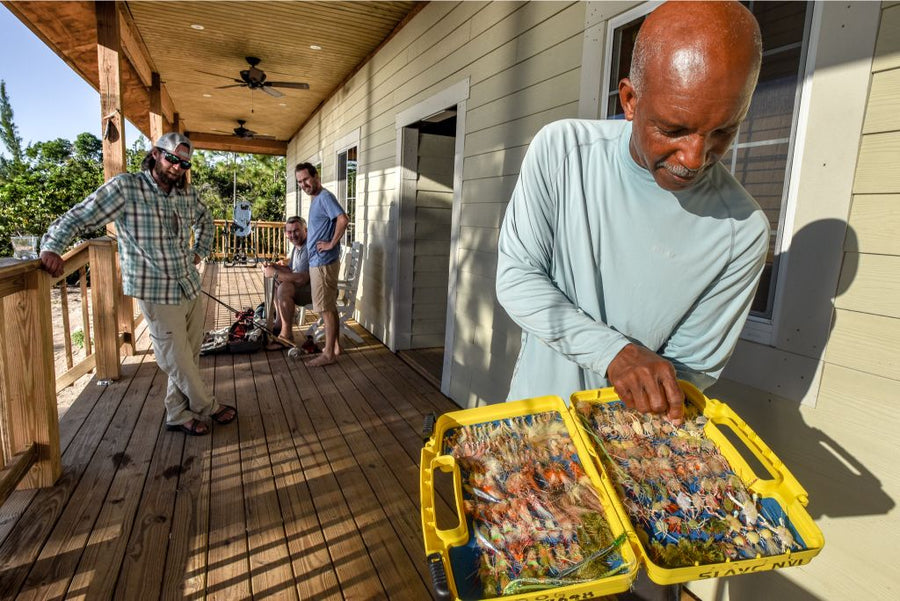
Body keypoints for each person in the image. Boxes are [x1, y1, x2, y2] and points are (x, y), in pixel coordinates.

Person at [496, 0, 768, 428]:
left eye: (723, 131)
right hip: (532, 418)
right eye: (674, 129)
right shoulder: (563, 152)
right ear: (629, 100)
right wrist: (615, 354)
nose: (694, 158)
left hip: (629, 438)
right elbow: (517, 277)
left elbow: (693, 367)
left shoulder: (744, 230)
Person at [39, 132, 237, 436]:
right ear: (155, 154)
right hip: (155, 289)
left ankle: (177, 414)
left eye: (184, 163)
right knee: (175, 357)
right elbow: (81, 215)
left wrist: (199, 251)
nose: (177, 167)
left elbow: (205, 220)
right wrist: (52, 246)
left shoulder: (186, 194)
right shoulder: (127, 188)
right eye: (172, 158)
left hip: (188, 284)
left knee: (189, 356)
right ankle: (207, 405)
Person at [295, 162, 349, 367]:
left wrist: (331, 244)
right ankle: (335, 347)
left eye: (306, 179)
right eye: (300, 182)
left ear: (316, 176)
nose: (303, 184)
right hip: (320, 262)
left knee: (325, 309)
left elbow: (343, 219)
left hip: (323, 263)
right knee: (329, 307)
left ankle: (328, 354)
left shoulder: (325, 197)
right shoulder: (317, 198)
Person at [262, 216, 312, 348]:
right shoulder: (297, 246)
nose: (293, 235)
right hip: (305, 286)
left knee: (284, 288)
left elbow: (302, 278)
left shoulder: (308, 248)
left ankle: (287, 336)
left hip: (315, 290)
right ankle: (280, 323)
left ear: (305, 230)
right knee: (277, 281)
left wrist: (275, 273)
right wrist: (273, 266)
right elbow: (291, 270)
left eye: (296, 231)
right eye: (289, 232)